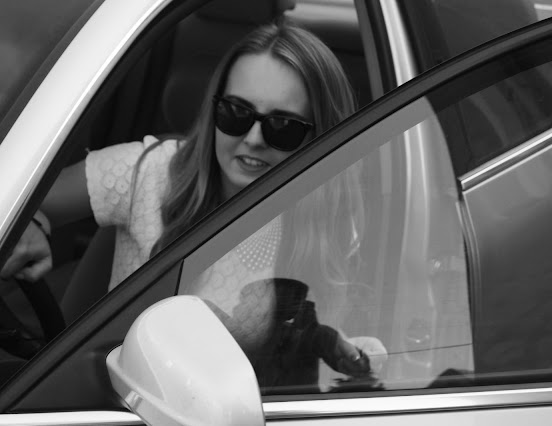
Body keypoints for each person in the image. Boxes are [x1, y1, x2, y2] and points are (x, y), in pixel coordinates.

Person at [0, 19, 386, 387]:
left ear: (320, 137)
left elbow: (305, 338)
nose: (253, 139)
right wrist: (32, 223)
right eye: (236, 113)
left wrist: (342, 344)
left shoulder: (324, 222)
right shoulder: (152, 171)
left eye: (281, 126)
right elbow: (15, 198)